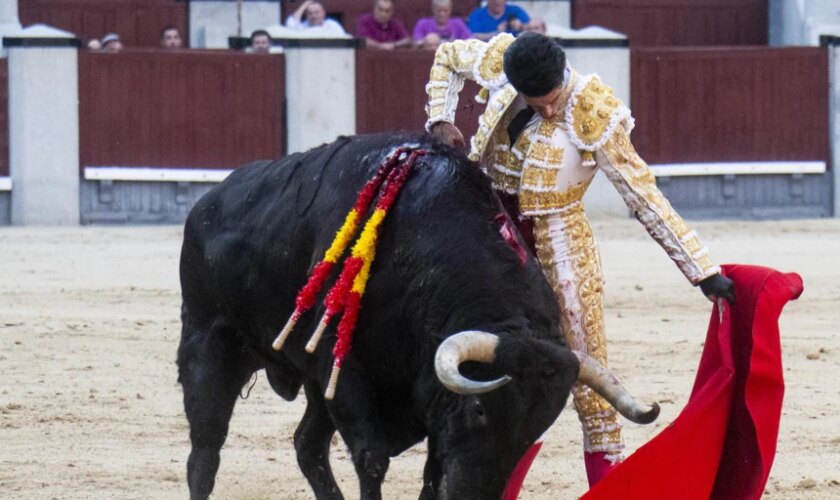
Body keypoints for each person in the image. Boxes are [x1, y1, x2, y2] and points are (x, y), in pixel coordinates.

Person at [424, 32, 735, 486]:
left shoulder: (595, 111)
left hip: (561, 248)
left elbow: (643, 195)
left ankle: (608, 491)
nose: (548, 111)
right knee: (497, 379)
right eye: (537, 103)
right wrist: (440, 120)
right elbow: (447, 56)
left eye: (552, 101)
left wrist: (701, 270)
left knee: (590, 383)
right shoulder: (499, 64)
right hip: (489, 243)